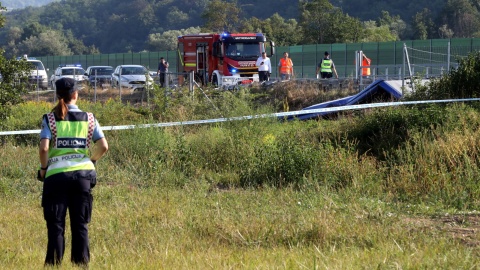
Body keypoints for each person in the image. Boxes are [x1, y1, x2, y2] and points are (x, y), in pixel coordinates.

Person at [38, 77, 108, 266]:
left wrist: (43, 170)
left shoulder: (50, 119)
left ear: (57, 95)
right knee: (80, 225)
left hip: (56, 178)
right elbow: (103, 146)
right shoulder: (90, 118)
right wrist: (91, 161)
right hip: (82, 177)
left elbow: (44, 149)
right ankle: (81, 264)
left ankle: (53, 265)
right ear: (75, 94)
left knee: (56, 226)